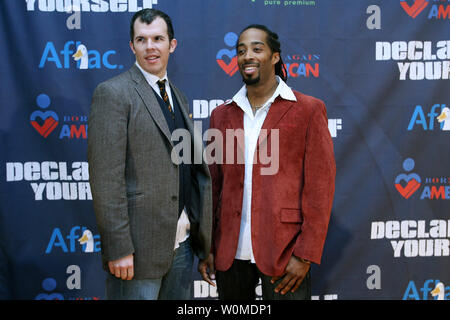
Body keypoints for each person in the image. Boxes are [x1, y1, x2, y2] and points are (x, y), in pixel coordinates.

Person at [198, 24, 336, 300]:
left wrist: (305, 255)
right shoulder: (220, 116)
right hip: (229, 254)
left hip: (285, 253)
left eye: (257, 49)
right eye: (241, 51)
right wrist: (209, 247)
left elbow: (320, 189)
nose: (247, 55)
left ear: (275, 56)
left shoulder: (308, 110)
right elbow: (213, 186)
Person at [87, 8, 212, 300]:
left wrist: (201, 238)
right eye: (141, 40)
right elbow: (106, 180)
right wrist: (119, 249)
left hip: (181, 246)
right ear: (132, 46)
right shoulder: (113, 93)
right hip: (136, 252)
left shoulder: (178, 96)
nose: (150, 47)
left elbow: (189, 168)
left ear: (172, 44)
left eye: (158, 38)